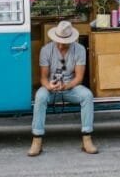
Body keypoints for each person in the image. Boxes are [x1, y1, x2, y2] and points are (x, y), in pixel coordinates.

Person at [28, 20, 98, 156]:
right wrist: (49, 86)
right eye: (58, 41)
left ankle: (87, 138)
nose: (60, 45)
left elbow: (79, 78)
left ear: (71, 40)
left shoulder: (80, 49)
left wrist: (66, 85)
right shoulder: (46, 50)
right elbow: (43, 77)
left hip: (70, 86)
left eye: (64, 42)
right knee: (40, 96)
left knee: (87, 95)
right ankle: (37, 140)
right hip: (51, 86)